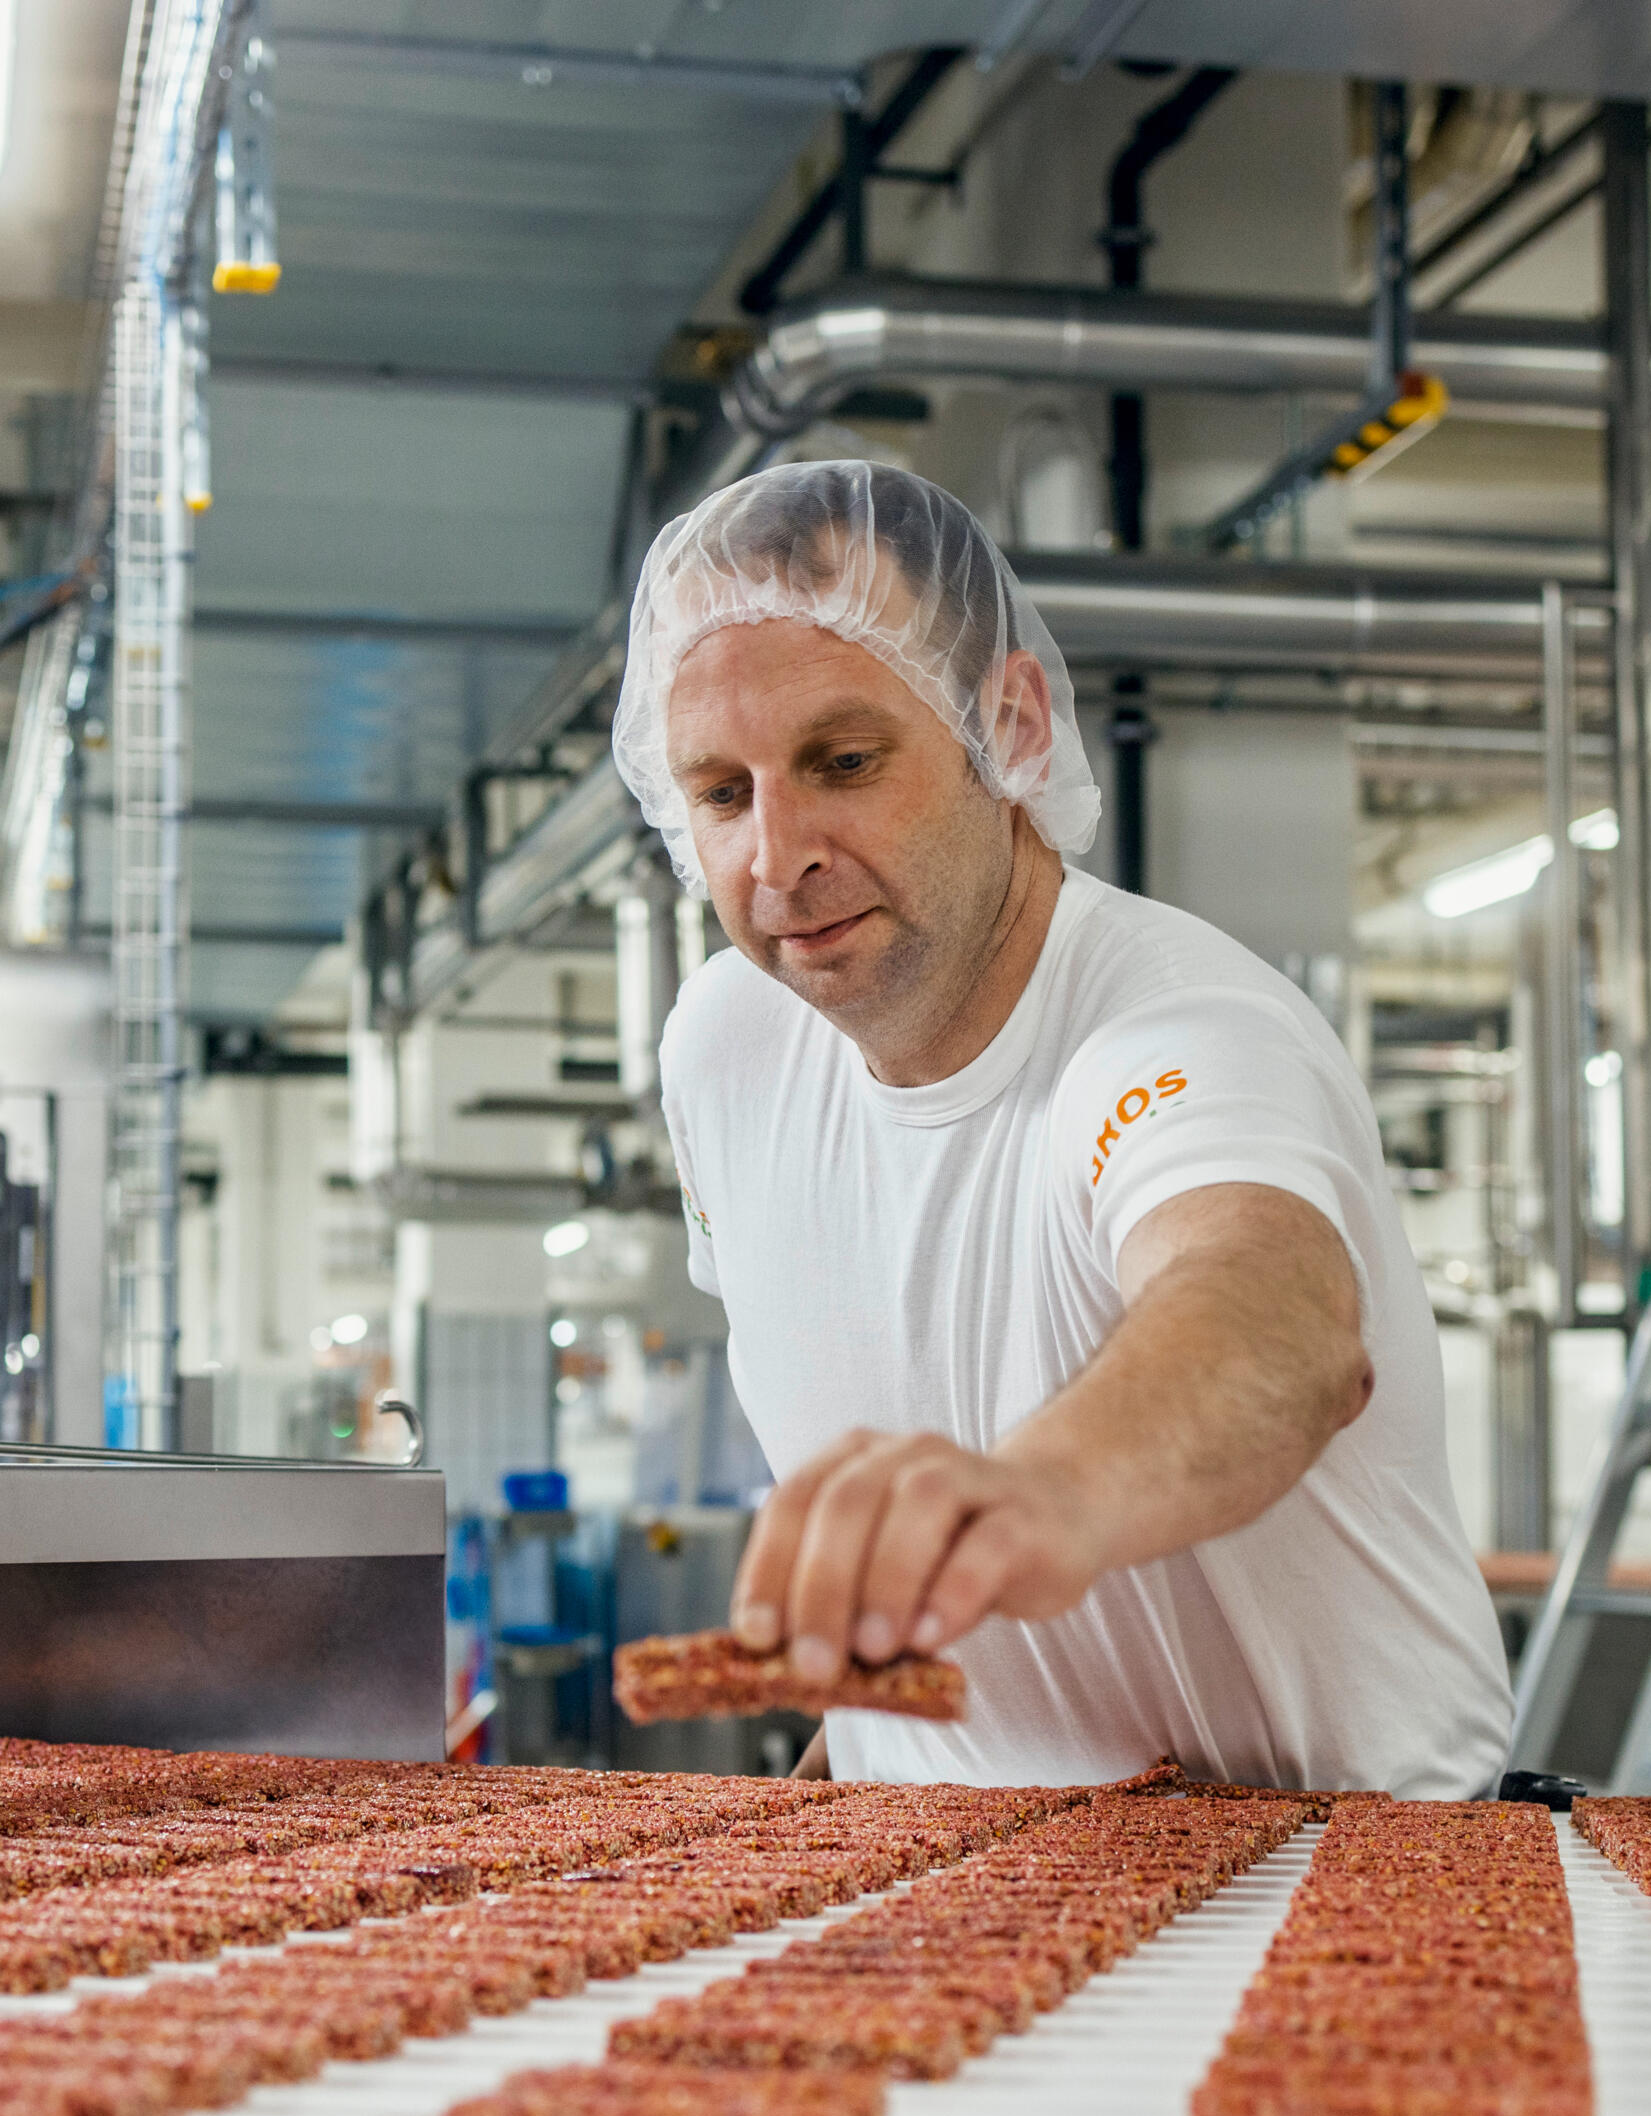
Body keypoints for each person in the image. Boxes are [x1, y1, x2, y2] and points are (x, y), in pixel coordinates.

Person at [615, 459, 1509, 1795]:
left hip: (1341, 1878)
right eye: (724, 794)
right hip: (965, 1886)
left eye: (843, 761)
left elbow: (1270, 1315)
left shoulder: (1176, 1025)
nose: (777, 853)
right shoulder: (725, 1049)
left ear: (1008, 727)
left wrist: (1039, 1495)